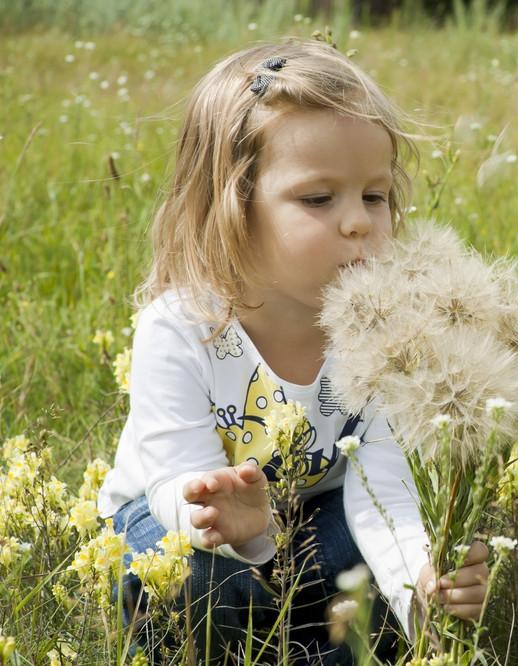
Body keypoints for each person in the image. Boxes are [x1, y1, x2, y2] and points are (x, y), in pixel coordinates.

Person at [96, 38, 491, 664]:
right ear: (231, 206)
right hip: (179, 526)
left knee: (381, 565)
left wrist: (420, 578)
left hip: (313, 527)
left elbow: (380, 487)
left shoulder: (384, 335)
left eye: (375, 195)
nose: (359, 222)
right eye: (318, 198)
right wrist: (232, 523)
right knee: (194, 586)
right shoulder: (180, 327)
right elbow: (173, 477)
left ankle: (306, 645)